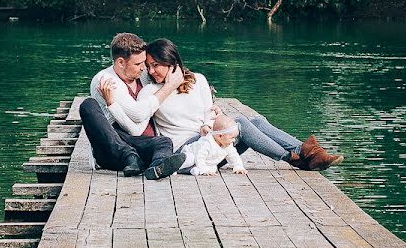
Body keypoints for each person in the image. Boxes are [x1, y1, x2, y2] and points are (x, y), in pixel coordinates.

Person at [117, 37, 343, 171]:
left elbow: (208, 115)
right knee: (242, 123)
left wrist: (212, 120)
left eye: (156, 65)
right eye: (148, 66)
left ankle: (304, 152)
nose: (151, 71)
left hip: (213, 143)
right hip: (189, 152)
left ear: (172, 63)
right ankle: (297, 158)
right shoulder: (150, 91)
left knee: (254, 121)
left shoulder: (199, 80)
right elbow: (138, 118)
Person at [79, 32, 186, 180]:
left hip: (141, 146)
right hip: (113, 149)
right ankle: (129, 156)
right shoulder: (105, 80)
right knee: (88, 105)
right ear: (121, 62)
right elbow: (138, 114)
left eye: (144, 63)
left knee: (164, 142)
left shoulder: (143, 74)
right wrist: (169, 87)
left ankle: (157, 167)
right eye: (138, 64)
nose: (145, 68)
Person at [175, 114, 247, 176]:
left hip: (205, 162)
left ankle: (190, 170)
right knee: (191, 158)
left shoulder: (227, 145)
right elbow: (199, 157)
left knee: (213, 168)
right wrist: (204, 170)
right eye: (232, 138)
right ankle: (175, 168)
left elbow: (234, 156)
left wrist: (238, 167)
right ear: (220, 136)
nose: (234, 140)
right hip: (192, 155)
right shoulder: (206, 143)